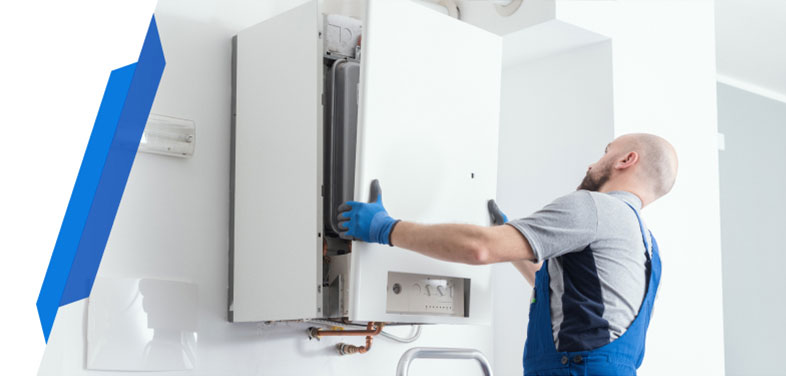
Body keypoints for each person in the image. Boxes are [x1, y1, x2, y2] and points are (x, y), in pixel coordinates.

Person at [337, 133, 678, 375]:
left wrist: (385, 229)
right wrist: (517, 245)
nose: (592, 163)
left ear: (625, 160)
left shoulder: (594, 208)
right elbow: (564, 293)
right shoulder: (648, 245)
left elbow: (480, 248)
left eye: (605, 152)